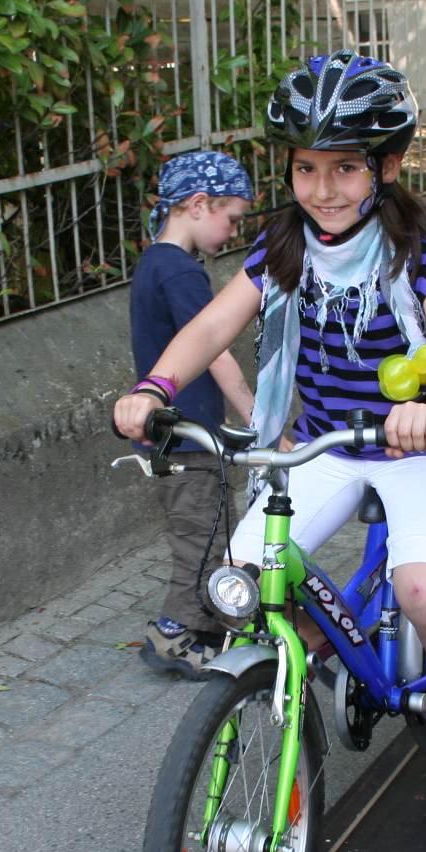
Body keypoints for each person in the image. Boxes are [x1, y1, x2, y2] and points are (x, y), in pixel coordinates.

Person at [112, 51, 426, 806]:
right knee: (240, 578)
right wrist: (154, 386)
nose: (323, 190)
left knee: (424, 592)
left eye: (345, 169)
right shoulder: (284, 246)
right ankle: (323, 635)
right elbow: (212, 326)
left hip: (418, 446)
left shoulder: (421, 249)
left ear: (386, 167)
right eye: (306, 170)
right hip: (328, 439)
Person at [129, 151, 257, 677]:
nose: (234, 232)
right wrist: (254, 413)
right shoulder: (179, 271)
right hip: (187, 438)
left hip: (179, 435)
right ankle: (174, 635)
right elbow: (214, 349)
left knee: (205, 529)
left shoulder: (155, 263)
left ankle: (207, 624)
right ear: (199, 204)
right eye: (232, 218)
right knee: (201, 537)